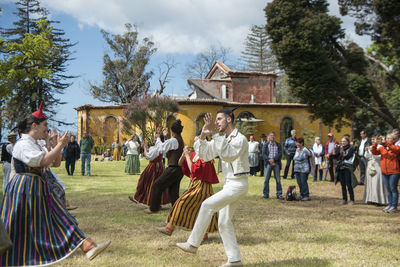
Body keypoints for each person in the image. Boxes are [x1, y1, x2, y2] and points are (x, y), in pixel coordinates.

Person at [0, 102, 110, 266]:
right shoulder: (23, 144)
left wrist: (58, 145)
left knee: (59, 218)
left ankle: (88, 246)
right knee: (14, 228)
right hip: (23, 191)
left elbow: (56, 162)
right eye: (45, 125)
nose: (47, 129)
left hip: (36, 189)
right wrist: (58, 145)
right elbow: (43, 161)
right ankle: (87, 245)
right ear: (35, 126)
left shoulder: (35, 143)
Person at [176, 109, 249, 267]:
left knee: (207, 205)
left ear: (229, 120)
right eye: (215, 119)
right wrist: (203, 135)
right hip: (230, 183)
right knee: (223, 222)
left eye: (219, 119)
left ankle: (193, 244)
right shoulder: (222, 139)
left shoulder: (240, 139)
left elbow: (229, 155)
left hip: (239, 184)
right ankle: (235, 260)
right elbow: (205, 155)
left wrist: (215, 134)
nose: (216, 122)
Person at [159, 139, 219, 238]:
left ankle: (169, 228)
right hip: (197, 185)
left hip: (202, 187)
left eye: (197, 142)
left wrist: (187, 155)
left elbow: (193, 170)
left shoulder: (205, 157)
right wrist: (184, 155)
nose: (194, 144)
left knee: (182, 203)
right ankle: (204, 235)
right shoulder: (196, 155)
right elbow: (179, 163)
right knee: (200, 210)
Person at [148, 120, 184, 213]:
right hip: (179, 169)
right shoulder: (179, 139)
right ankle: (177, 209)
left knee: (157, 185)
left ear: (172, 131)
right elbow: (168, 145)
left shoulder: (174, 140)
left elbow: (162, 148)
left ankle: (154, 208)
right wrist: (163, 137)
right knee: (173, 191)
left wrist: (159, 138)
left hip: (173, 168)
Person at [128, 131, 170, 206]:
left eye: (156, 138)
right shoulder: (156, 147)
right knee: (146, 181)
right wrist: (146, 146)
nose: (154, 139)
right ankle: (141, 198)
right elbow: (149, 152)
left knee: (149, 182)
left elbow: (148, 156)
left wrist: (144, 147)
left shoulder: (157, 147)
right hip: (156, 166)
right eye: (155, 137)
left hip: (154, 167)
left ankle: (150, 201)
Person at [371, 134, 400, 213]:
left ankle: (394, 206)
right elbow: (374, 152)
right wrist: (375, 143)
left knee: (393, 189)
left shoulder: (396, 147)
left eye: (389, 138)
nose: (386, 139)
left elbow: (395, 150)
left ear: (393, 140)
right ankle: (390, 204)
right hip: (384, 172)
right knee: (388, 189)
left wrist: (386, 142)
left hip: (394, 171)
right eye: (386, 138)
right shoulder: (382, 148)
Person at [363, 137, 388, 205]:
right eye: (372, 139)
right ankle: (371, 199)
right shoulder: (370, 147)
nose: (373, 140)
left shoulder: (381, 147)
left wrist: (373, 152)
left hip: (377, 165)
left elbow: (379, 157)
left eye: (374, 139)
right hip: (370, 165)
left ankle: (378, 200)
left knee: (377, 182)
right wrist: (367, 151)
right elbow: (366, 156)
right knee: (370, 182)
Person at [334, 136, 356, 205]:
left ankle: (352, 199)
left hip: (347, 168)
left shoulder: (351, 148)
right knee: (342, 184)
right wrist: (333, 151)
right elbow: (335, 156)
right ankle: (344, 199)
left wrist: (342, 150)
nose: (342, 143)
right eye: (342, 141)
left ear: (347, 142)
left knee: (348, 184)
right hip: (341, 167)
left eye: (344, 141)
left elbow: (347, 157)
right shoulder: (341, 148)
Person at [262, 132, 284, 199]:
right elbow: (263, 154)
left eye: (274, 136)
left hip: (276, 164)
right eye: (271, 136)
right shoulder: (266, 145)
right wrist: (269, 160)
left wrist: (274, 159)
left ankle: (279, 194)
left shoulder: (278, 145)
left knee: (278, 180)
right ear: (268, 137)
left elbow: (280, 154)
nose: (272, 137)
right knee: (266, 180)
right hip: (268, 164)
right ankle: (266, 194)